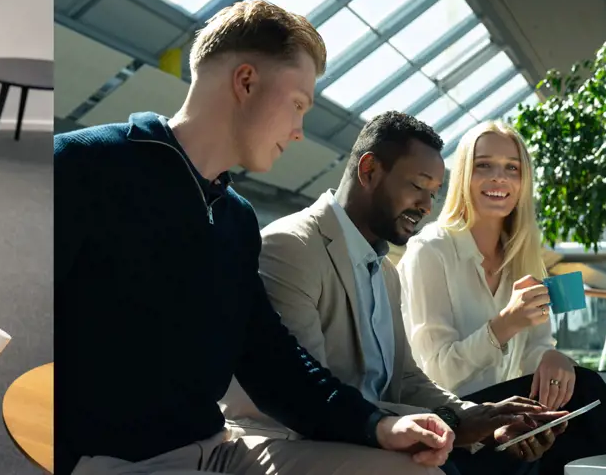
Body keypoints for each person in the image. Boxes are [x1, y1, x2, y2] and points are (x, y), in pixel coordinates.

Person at [56, 1, 464, 475]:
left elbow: (273, 362)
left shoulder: (236, 218)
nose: (299, 131)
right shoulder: (82, 167)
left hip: (217, 452)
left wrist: (376, 425)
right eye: (298, 105)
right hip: (112, 461)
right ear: (246, 82)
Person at [221, 112, 570, 475]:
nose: (426, 206)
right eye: (418, 186)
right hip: (293, 442)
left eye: (433, 192)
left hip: (373, 436)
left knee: (525, 455)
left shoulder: (385, 271)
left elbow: (406, 379)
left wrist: (481, 420)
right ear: (369, 170)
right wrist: (454, 423)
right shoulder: (292, 247)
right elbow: (311, 398)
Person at [396, 121, 606, 475]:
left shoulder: (524, 257)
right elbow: (436, 373)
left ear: (524, 181)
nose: (500, 178)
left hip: (509, 416)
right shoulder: (430, 251)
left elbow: (534, 350)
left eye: (512, 168)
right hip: (454, 418)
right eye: (484, 165)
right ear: (464, 173)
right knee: (589, 390)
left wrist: (552, 356)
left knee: (574, 416)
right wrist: (503, 326)